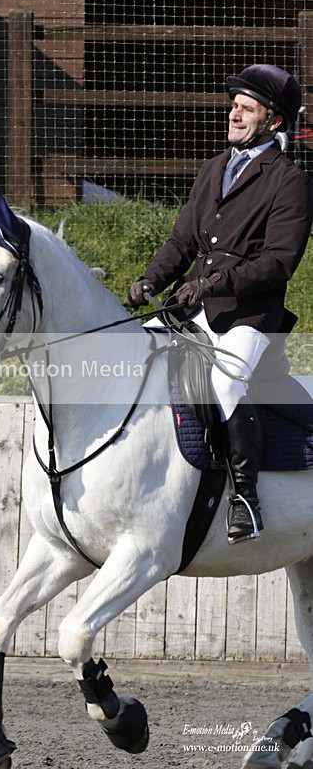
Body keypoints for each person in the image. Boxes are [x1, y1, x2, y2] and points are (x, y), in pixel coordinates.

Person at [126, 64, 313, 545]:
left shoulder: (288, 181)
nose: (234, 113)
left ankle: (245, 499)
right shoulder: (214, 167)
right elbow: (182, 239)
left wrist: (212, 284)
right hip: (195, 307)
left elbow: (279, 263)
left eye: (246, 108)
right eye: (234, 105)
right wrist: (150, 280)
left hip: (249, 316)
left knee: (225, 383)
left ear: (273, 121)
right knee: (136, 361)